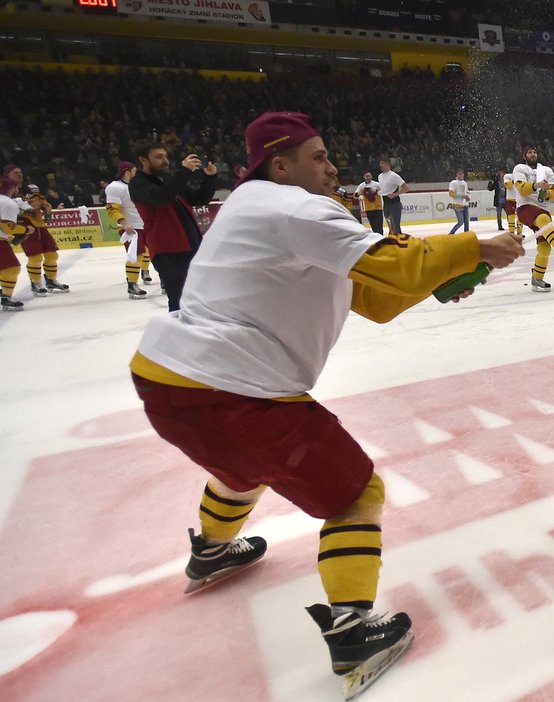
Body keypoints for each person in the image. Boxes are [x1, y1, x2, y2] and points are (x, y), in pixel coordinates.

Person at [129, 111, 524, 696]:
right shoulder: (296, 207)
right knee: (356, 494)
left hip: (165, 382)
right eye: (317, 156)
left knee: (244, 466)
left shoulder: (253, 206)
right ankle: (352, 629)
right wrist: (478, 246)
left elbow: (376, 297)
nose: (332, 165)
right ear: (280, 164)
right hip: (231, 389)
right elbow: (397, 263)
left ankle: (213, 551)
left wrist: (448, 275)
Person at [130, 142, 217, 311]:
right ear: (143, 160)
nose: (165, 161)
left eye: (165, 156)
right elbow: (160, 197)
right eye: (159, 157)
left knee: (199, 300)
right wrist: (184, 172)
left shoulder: (169, 181)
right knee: (180, 303)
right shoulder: (138, 183)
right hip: (168, 252)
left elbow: (199, 199)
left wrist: (209, 178)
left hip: (191, 246)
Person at [513, 145, 554, 292]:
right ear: (524, 155)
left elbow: (553, 192)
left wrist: (547, 194)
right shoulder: (520, 168)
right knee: (541, 219)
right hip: (525, 207)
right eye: (529, 152)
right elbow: (522, 189)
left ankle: (537, 278)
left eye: (534, 152)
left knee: (544, 248)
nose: (533, 154)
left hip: (543, 209)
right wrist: (537, 185)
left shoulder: (547, 170)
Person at [3, 165, 70, 296]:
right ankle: (36, 283)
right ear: (7, 175)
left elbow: (39, 199)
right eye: (16, 173)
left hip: (39, 224)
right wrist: (25, 208)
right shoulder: (5, 189)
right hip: (24, 226)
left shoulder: (28, 188)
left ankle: (51, 280)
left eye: (20, 172)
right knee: (35, 256)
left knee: (52, 254)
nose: (19, 174)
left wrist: (45, 204)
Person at [105, 161, 153, 300]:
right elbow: (111, 209)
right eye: (134, 171)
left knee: (153, 254)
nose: (136, 173)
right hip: (132, 228)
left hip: (145, 225)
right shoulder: (115, 187)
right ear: (127, 172)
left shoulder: (137, 185)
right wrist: (124, 222)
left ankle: (161, 281)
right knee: (136, 255)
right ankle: (132, 284)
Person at [0, 175, 29, 311]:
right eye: (16, 186)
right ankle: (6, 297)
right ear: (11, 188)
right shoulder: (7, 203)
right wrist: (25, 229)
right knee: (12, 268)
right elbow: (7, 226)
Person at [377, 157, 408, 234]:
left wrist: (395, 194)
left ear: (387, 164)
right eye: (380, 163)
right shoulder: (380, 176)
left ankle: (400, 242)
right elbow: (383, 189)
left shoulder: (394, 176)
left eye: (382, 163)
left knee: (396, 227)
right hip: (386, 203)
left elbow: (406, 188)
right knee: (390, 227)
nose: (380, 165)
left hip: (394, 203)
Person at [447, 167, 470, 234]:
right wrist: (462, 196)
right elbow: (451, 194)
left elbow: (467, 192)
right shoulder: (453, 183)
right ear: (456, 175)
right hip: (457, 205)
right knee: (460, 222)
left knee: (466, 222)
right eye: (459, 174)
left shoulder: (464, 183)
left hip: (465, 204)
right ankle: (451, 234)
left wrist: (468, 197)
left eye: (462, 174)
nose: (461, 175)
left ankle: (466, 235)